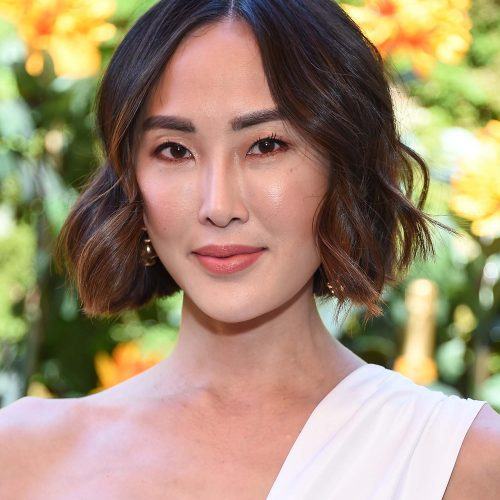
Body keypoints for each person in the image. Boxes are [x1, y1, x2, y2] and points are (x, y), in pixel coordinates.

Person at [1, 1, 499, 498]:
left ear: (343, 166)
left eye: (265, 146)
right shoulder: (24, 456)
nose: (218, 206)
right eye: (175, 150)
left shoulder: (464, 462)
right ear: (131, 179)